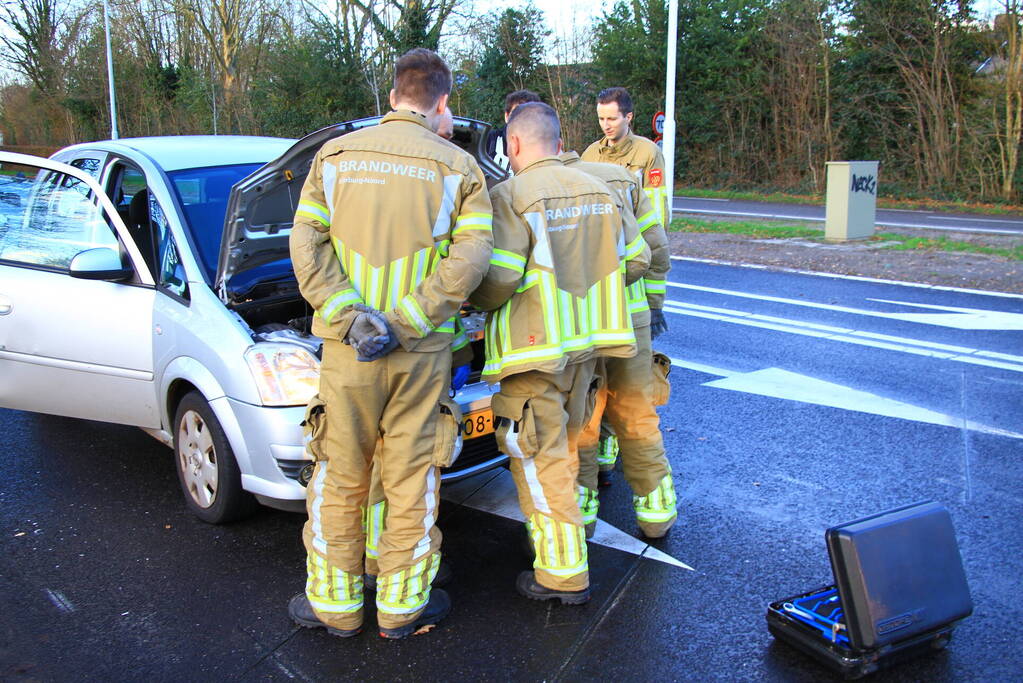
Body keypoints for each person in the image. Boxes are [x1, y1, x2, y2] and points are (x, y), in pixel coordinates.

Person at [287, 48, 494, 639]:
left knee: (338, 473)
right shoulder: (460, 168)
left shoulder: (334, 156)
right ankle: (402, 608)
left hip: (346, 353)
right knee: (410, 475)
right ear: (442, 101)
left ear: (393, 93)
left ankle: (335, 607)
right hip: (421, 356)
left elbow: (306, 246)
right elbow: (471, 260)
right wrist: (404, 322)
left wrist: (349, 314)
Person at [470, 102, 650, 604]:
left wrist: (471, 298)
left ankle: (562, 571)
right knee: (565, 449)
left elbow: (500, 278)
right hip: (588, 350)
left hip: (536, 356)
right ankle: (571, 543)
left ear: (515, 146)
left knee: (536, 455)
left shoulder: (510, 195)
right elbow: (637, 259)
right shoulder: (598, 187)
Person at [559, 149, 676, 539]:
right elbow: (656, 248)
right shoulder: (621, 179)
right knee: (637, 413)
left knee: (583, 420)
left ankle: (582, 513)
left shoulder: (540, 190)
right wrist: (654, 306)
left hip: (582, 325)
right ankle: (656, 513)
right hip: (631, 319)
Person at [486, 89, 543, 171]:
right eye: (517, 113)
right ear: (506, 116)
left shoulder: (542, 148)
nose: (522, 120)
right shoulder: (489, 140)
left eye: (528, 115)